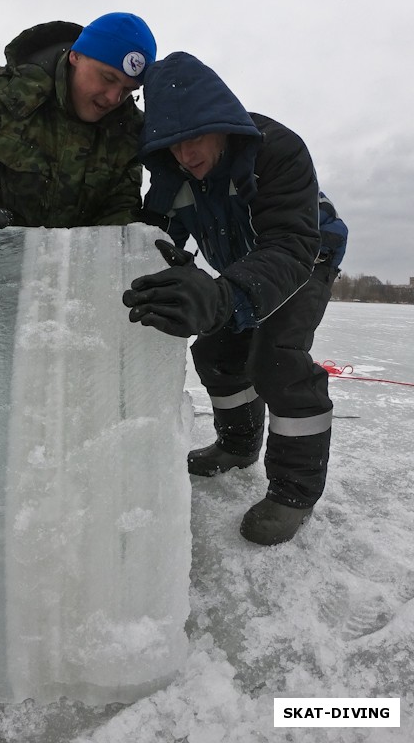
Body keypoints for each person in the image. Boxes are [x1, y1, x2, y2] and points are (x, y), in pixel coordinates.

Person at [123, 51, 348, 546]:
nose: (186, 155)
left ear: (220, 121)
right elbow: (151, 236)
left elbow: (289, 244)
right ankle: (238, 445)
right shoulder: (174, 176)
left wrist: (224, 296)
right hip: (239, 270)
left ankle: (294, 492)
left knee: (277, 357)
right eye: (172, 145)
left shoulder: (278, 151)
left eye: (195, 138)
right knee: (214, 350)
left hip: (306, 257)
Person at [0, 13, 157, 448]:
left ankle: (54, 457)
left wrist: (121, 257)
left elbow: (121, 204)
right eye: (107, 78)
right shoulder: (1, 94)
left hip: (77, 277)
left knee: (71, 372)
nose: (113, 97)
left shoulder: (128, 129)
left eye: (127, 90)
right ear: (75, 56)